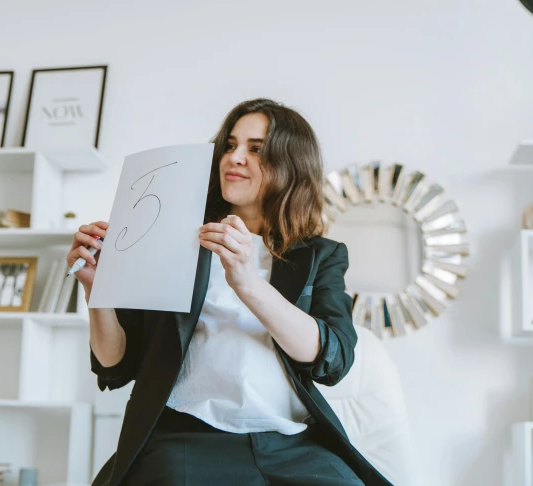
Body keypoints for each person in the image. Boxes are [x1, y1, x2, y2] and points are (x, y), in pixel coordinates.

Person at [67, 99, 392, 486]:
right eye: (230, 145)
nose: (234, 158)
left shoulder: (321, 256)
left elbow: (333, 360)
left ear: (291, 165)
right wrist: (97, 289)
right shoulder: (170, 239)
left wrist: (248, 282)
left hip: (291, 444)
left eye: (256, 149)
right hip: (185, 438)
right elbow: (115, 364)